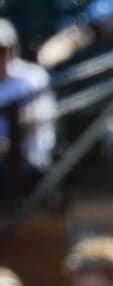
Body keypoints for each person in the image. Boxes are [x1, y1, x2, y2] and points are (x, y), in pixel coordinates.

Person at [0, 19, 56, 206]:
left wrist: (5, 147)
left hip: (29, 160)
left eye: (2, 49)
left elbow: (32, 121)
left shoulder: (32, 76)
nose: (0, 56)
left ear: (13, 49)